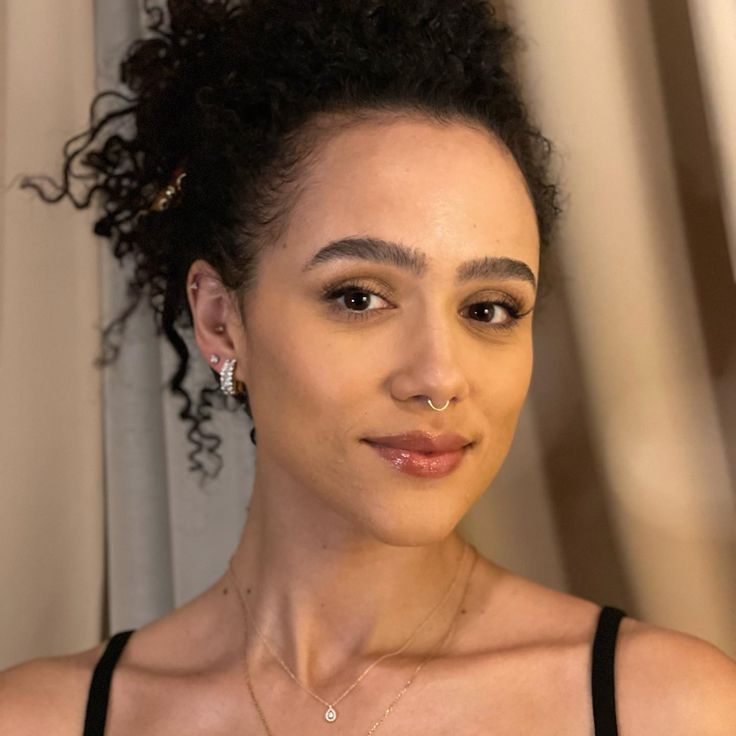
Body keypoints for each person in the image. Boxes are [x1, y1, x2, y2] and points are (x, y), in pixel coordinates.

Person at [2, 1, 735, 733]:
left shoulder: (669, 707)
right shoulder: (42, 719)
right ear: (222, 320)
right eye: (360, 297)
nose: (439, 377)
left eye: (488, 309)